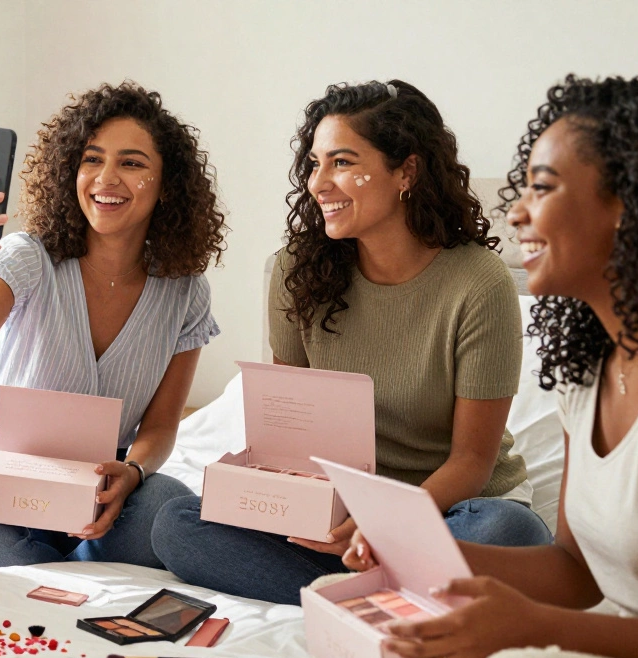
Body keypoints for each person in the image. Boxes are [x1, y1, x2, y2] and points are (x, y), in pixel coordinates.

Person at [341, 74, 638, 658]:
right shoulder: (588, 374)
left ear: (630, 205)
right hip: (625, 655)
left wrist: (534, 631)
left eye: (542, 188)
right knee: (366, 628)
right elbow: (575, 573)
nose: (516, 210)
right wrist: (420, 556)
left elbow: (569, 616)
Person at [153, 80, 551, 605]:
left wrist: (382, 523)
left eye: (341, 162)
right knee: (176, 522)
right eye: (315, 164)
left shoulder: (480, 283)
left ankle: (346, 590)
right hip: (335, 514)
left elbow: (472, 461)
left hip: (448, 509)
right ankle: (371, 594)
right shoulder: (298, 269)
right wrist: (306, 505)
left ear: (406, 171)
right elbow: (288, 434)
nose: (319, 183)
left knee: (510, 533)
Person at [0, 81, 225, 570]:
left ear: (167, 184)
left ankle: (74, 549)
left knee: (170, 512)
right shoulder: (29, 257)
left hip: (104, 474)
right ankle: (74, 558)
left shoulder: (185, 291)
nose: (106, 179)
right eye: (92, 159)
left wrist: (132, 473)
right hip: (2, 463)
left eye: (131, 163)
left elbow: (159, 426)